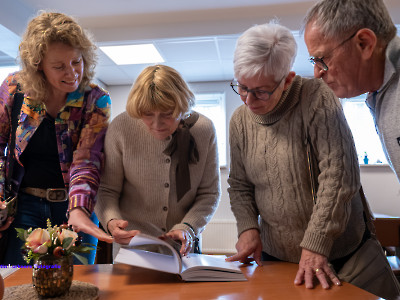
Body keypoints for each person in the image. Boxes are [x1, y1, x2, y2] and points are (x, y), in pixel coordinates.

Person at [225, 22, 400, 300]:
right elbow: (240, 184)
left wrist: (316, 243)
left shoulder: (318, 98)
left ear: (288, 79)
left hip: (344, 258)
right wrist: (248, 228)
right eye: (242, 87)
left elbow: (339, 177)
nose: (248, 100)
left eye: (261, 91)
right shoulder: (239, 121)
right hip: (276, 258)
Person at [0, 11, 113, 265]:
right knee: (20, 283)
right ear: (38, 65)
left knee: (77, 285)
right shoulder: (13, 89)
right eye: (59, 66)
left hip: (75, 207)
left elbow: (87, 159)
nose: (72, 72)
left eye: (77, 61)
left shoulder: (95, 99)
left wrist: (79, 208)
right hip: (24, 206)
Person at [95, 65, 220, 256]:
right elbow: (106, 190)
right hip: (132, 247)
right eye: (147, 114)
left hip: (184, 247)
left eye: (167, 114)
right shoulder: (120, 128)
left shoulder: (204, 129)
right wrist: (112, 221)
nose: (156, 124)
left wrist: (188, 227)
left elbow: (209, 193)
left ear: (182, 107)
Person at [303, 0, 400, 181]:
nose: (317, 73)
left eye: (321, 58)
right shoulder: (379, 92)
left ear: (364, 43)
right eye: (313, 61)